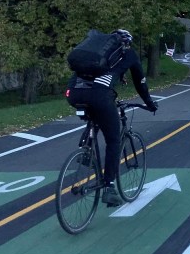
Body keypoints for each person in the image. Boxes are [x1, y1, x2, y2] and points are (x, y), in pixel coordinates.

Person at [65, 29, 158, 207]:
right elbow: (140, 81)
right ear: (126, 43)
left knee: (95, 114)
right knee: (113, 140)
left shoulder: (95, 56)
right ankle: (109, 187)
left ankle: (86, 148)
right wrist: (149, 102)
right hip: (100, 96)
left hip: (73, 94)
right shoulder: (128, 53)